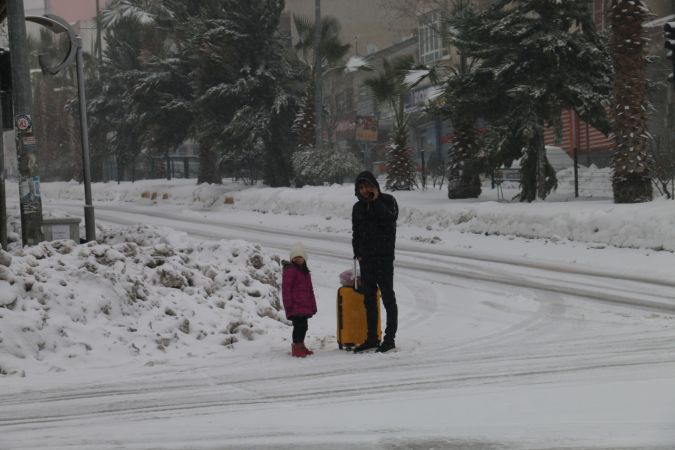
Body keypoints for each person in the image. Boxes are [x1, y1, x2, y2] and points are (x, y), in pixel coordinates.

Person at [351, 170, 399, 353]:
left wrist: (376, 200)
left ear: (374, 185)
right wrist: (358, 253)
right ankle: (371, 338)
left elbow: (389, 219)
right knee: (369, 300)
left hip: (384, 259)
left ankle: (389, 339)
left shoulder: (388, 201)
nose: (364, 191)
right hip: (366, 261)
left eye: (367, 186)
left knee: (388, 298)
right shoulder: (357, 208)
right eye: (361, 187)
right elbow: (356, 232)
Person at [282, 242, 318, 357]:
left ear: (304, 258)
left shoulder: (305, 272)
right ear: (292, 259)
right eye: (296, 257)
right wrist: (288, 304)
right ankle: (296, 347)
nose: (298, 259)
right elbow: (286, 289)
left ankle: (301, 345)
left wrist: (313, 305)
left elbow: (310, 290)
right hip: (295, 305)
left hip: (305, 305)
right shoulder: (290, 270)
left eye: (300, 257)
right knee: (298, 327)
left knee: (304, 326)